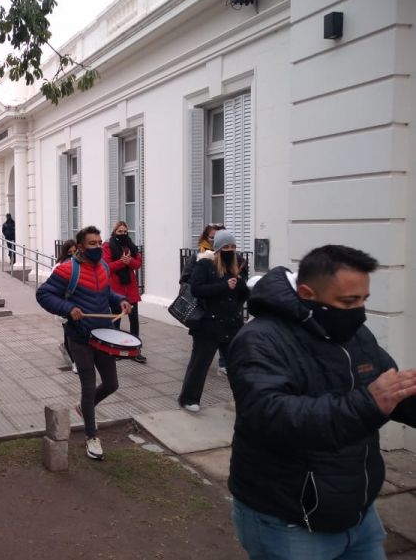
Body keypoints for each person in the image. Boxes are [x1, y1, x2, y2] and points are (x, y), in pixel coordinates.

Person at [227, 245, 416, 559]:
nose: (359, 312)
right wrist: (368, 404)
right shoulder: (259, 340)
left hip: (358, 511)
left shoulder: (357, 334)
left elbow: (391, 392)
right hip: (290, 520)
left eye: (363, 299)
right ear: (307, 293)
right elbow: (271, 416)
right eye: (348, 302)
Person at [36, 226, 132, 460]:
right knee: (88, 387)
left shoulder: (104, 267)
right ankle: (92, 436)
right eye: (92, 244)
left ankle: (83, 408)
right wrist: (68, 309)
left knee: (111, 384)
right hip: (79, 338)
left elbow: (106, 293)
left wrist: (120, 300)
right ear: (80, 247)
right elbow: (43, 294)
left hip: (104, 334)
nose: (98, 247)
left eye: (100, 243)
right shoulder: (68, 270)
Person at [178, 230, 248, 413]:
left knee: (236, 366)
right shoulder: (205, 265)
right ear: (217, 248)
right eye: (226, 247)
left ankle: (243, 400)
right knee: (200, 363)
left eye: (232, 247)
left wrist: (241, 283)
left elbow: (243, 295)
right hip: (208, 324)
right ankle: (188, 398)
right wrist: (224, 286)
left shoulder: (238, 265)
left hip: (231, 324)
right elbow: (197, 289)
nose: (230, 250)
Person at [102, 221, 146, 363]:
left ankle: (135, 350)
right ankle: (115, 349)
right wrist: (123, 262)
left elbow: (138, 263)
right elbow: (107, 266)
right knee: (116, 320)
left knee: (134, 320)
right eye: (120, 231)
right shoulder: (107, 246)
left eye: (125, 231)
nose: (123, 234)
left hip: (130, 288)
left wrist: (129, 261)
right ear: (115, 232)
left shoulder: (131, 246)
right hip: (116, 288)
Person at [55, 239, 78, 373]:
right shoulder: (60, 267)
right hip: (65, 306)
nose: (73, 256)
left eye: (75, 252)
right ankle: (74, 362)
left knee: (74, 334)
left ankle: (69, 352)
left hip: (78, 305)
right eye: (70, 253)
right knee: (69, 334)